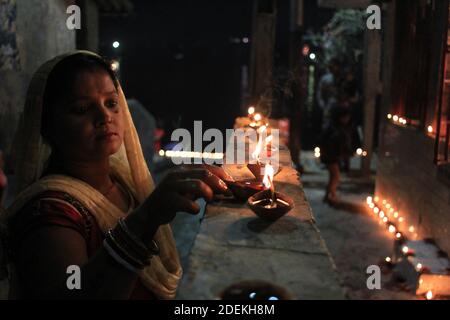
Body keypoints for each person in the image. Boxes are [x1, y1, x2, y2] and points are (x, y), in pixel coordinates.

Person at [2, 51, 233, 299]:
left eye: (111, 103)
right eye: (81, 109)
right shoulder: (50, 213)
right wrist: (145, 219)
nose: (104, 117)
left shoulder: (124, 183)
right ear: (46, 126)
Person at [319, 105, 354, 205]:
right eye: (345, 117)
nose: (347, 119)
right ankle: (330, 195)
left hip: (332, 155)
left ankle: (330, 195)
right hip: (330, 156)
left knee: (334, 176)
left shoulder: (339, 127)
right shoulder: (334, 128)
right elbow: (332, 143)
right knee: (335, 176)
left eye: (348, 117)